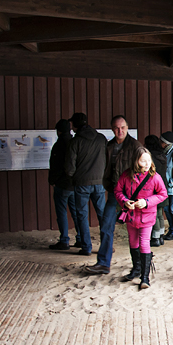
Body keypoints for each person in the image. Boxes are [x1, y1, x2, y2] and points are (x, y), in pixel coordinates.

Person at [84, 115, 140, 275]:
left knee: (135, 230)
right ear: (112, 129)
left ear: (127, 128)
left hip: (131, 195)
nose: (119, 131)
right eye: (116, 128)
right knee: (106, 226)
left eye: (122, 127)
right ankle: (103, 263)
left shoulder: (135, 146)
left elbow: (144, 170)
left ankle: (138, 266)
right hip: (115, 193)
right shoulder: (109, 146)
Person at [115, 145, 167, 288]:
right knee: (133, 242)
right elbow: (118, 191)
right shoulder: (126, 176)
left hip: (147, 216)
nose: (146, 164)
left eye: (148, 161)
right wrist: (125, 202)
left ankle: (145, 277)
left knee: (144, 243)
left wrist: (147, 202)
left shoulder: (155, 177)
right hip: (131, 215)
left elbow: (163, 194)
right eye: (143, 161)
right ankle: (136, 269)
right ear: (136, 161)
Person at [65, 112, 106, 257]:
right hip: (100, 182)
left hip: (81, 183)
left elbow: (70, 168)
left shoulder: (75, 142)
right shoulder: (101, 138)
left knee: (82, 215)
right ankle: (106, 246)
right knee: (102, 215)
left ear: (74, 125)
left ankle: (86, 247)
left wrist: (73, 177)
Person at [47, 119, 81, 250]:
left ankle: (64, 240)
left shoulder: (59, 144)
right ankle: (80, 238)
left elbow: (55, 166)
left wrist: (52, 180)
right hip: (74, 184)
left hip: (62, 184)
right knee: (76, 213)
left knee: (61, 212)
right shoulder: (74, 143)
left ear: (58, 131)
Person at [143, 135, 168, 247]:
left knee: (155, 213)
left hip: (154, 187)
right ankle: (161, 236)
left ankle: (155, 238)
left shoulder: (151, 157)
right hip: (163, 186)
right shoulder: (162, 155)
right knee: (160, 214)